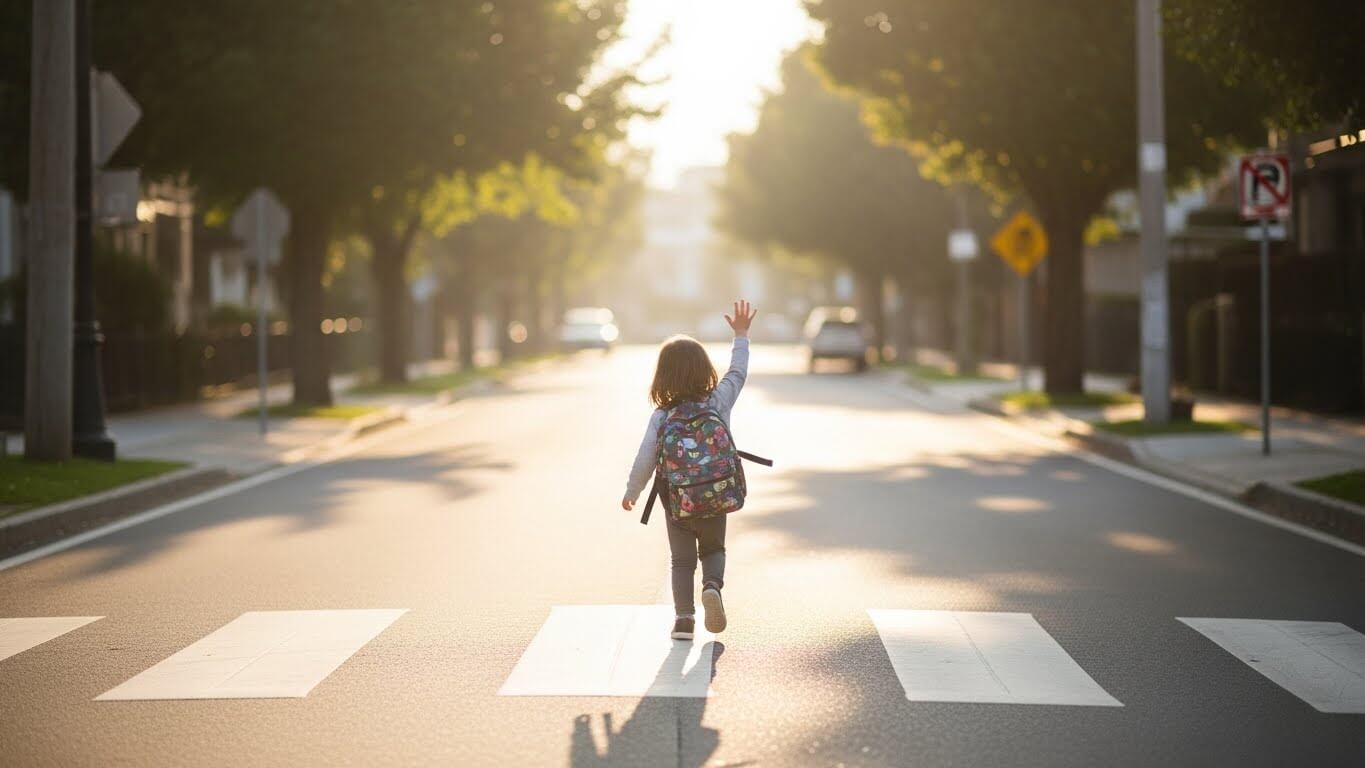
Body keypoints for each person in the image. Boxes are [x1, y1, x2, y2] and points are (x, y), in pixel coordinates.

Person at [623, 300, 757, 641]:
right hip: (715, 492)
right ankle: (712, 586)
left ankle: (684, 620)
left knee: (681, 561)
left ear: (662, 375)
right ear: (704, 370)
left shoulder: (662, 416)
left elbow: (645, 458)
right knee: (713, 550)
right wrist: (741, 334)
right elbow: (738, 372)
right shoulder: (717, 402)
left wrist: (633, 491)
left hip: (677, 500)